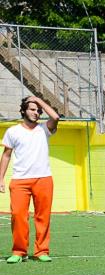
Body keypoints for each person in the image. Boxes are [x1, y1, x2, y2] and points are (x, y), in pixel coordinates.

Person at [0, 96, 59, 263]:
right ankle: (19, 252)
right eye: (32, 109)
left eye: (38, 111)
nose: (36, 113)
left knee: (43, 216)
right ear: (23, 111)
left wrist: (39, 101)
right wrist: (1, 179)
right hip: (20, 181)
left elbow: (55, 117)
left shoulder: (45, 129)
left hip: (44, 179)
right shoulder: (13, 131)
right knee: (18, 215)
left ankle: (41, 251)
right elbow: (6, 155)